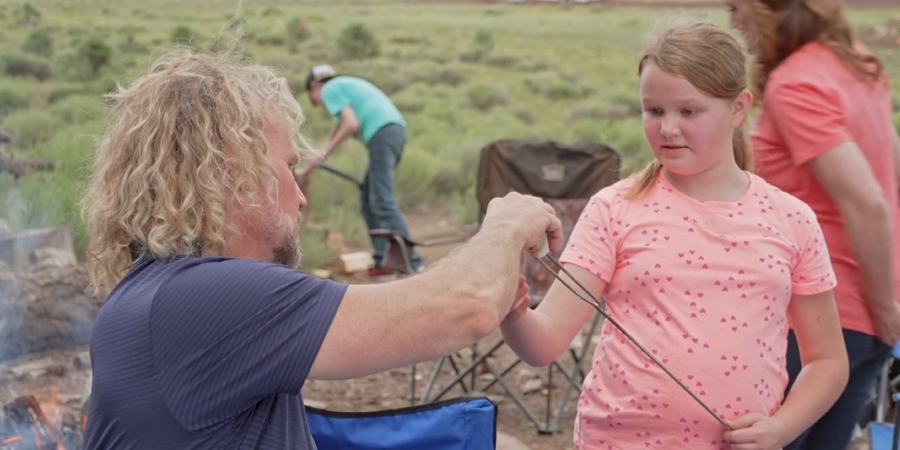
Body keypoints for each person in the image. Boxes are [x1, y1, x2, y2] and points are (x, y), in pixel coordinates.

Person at [79, 47, 563, 450]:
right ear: (233, 171)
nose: (303, 195)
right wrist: (505, 223)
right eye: (291, 168)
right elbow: (465, 308)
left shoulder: (151, 296)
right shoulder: (205, 296)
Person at [499, 21, 849, 449]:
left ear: (738, 108)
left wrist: (782, 427)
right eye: (654, 110)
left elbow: (828, 360)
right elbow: (545, 342)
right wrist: (511, 309)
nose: (667, 129)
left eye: (688, 111)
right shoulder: (614, 208)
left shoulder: (792, 219)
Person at [725, 0, 900, 448]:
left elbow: (867, 201)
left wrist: (885, 309)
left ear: (768, 10)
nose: (733, 23)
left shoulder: (795, 83)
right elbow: (892, 169)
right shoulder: (857, 63)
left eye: (735, 8)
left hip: (819, 316)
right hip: (864, 315)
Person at [296, 64, 423, 275]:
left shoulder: (330, 89)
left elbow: (350, 124)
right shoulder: (345, 87)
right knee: (368, 197)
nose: (319, 104)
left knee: (382, 199)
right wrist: (307, 170)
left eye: (313, 98)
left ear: (314, 85)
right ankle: (384, 260)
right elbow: (330, 142)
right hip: (393, 132)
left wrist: (315, 162)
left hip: (383, 134)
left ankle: (412, 262)